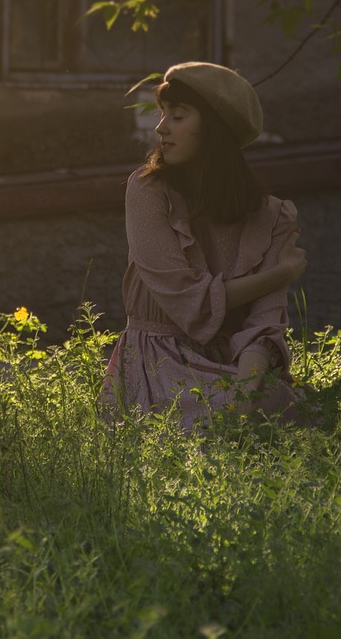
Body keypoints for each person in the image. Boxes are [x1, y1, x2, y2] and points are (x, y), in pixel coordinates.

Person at [100, 62, 307, 430]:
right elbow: (185, 299)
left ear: (213, 129)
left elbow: (264, 326)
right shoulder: (148, 191)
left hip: (235, 363)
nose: (161, 128)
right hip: (159, 361)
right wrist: (280, 274)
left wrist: (244, 397)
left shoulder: (273, 216)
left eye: (177, 116)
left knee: (286, 407)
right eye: (163, 115)